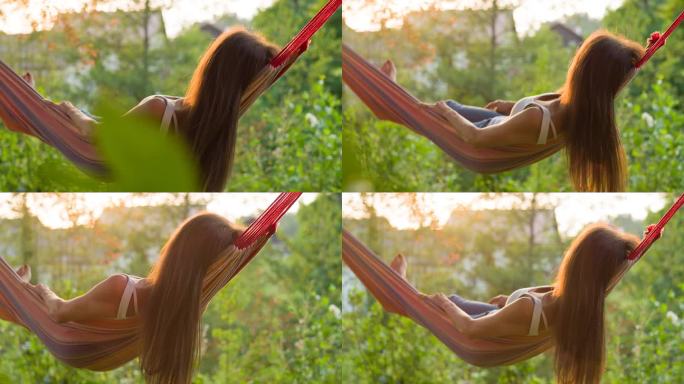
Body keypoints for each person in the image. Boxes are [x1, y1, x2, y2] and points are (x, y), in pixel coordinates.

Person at [381, 31, 656, 192]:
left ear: (583, 70)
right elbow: (611, 81)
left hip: (485, 136)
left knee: (441, 110)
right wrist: (511, 106)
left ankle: (389, 103)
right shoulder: (586, 107)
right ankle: (393, 100)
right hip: (504, 121)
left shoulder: (539, 118)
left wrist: (445, 113)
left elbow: (475, 139)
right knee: (445, 108)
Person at [389, 223, 661, 384]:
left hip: (488, 330)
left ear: (577, 261)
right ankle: (402, 291)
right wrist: (646, 243)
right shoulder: (590, 297)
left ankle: (399, 293)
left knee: (445, 304)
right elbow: (617, 269)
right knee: (453, 302)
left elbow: (470, 329)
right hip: (507, 315)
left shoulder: (532, 308)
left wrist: (444, 305)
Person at [22, 27, 280, 192]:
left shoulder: (161, 110)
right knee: (44, 116)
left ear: (212, 68)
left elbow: (96, 134)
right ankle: (27, 101)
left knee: (59, 116)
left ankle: (27, 101)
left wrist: (68, 109)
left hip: (103, 156)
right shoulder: (218, 135)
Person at [13, 212, 243, 384]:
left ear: (177, 249)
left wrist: (41, 289)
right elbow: (234, 258)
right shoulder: (190, 307)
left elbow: (59, 313)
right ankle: (16, 288)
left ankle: (16, 286)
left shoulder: (121, 288)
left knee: (31, 301)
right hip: (101, 355)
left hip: (73, 343)